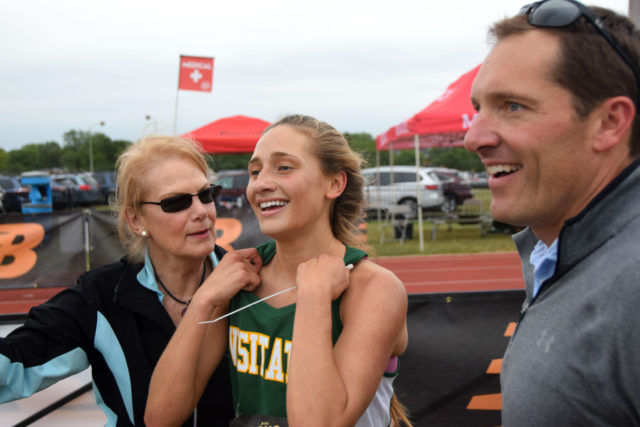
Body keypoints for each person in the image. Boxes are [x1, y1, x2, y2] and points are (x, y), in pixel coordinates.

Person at [146, 114, 411, 426]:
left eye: (284, 167)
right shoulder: (241, 279)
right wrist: (204, 300)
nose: (261, 184)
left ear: (334, 183)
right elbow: (160, 416)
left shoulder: (374, 289)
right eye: (255, 171)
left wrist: (313, 297)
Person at [0, 135, 261, 426]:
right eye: (176, 203)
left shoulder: (254, 284)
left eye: (206, 194)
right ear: (136, 220)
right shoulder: (99, 297)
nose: (201, 212)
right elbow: (11, 368)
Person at [464, 1, 640, 425]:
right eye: (478, 108)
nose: (474, 138)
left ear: (609, 123)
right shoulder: (566, 255)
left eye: (512, 106)